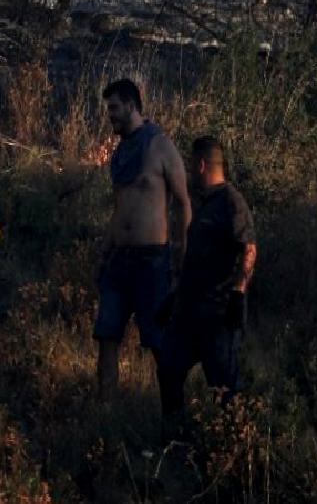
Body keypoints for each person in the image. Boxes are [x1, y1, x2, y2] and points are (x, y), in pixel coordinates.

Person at [94, 78, 191, 401]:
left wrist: (180, 254)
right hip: (118, 260)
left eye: (115, 108)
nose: (110, 115)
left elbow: (183, 202)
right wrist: (105, 251)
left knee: (159, 341)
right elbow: (119, 209)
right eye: (109, 108)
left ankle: (172, 415)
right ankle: (105, 414)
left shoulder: (160, 145)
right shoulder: (120, 154)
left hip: (152, 261)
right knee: (106, 336)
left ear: (132, 106)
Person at [156, 136, 256, 422]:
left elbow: (248, 249)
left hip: (218, 315)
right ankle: (175, 436)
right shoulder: (205, 204)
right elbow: (196, 259)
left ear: (201, 165)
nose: (188, 170)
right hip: (189, 312)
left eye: (191, 164)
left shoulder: (231, 202)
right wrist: (175, 297)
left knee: (224, 390)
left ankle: (229, 450)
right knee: (169, 369)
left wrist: (237, 293)